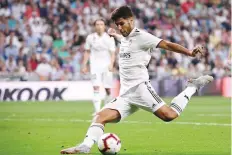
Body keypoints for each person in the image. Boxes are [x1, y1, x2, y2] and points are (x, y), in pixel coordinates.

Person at [60, 6, 213, 154]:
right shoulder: (125, 38)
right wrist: (116, 35)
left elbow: (166, 44)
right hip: (126, 94)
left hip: (141, 88)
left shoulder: (142, 36)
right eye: (117, 24)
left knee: (169, 115)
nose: (120, 27)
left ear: (131, 20)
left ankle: (192, 87)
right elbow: (127, 41)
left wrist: (189, 52)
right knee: (100, 116)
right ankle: (85, 147)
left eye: (122, 23)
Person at [81, 19, 116, 115]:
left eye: (101, 24)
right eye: (97, 24)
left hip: (106, 66)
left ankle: (106, 108)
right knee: (96, 87)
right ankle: (97, 111)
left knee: (107, 89)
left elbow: (112, 53)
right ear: (94, 26)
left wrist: (111, 64)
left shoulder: (109, 38)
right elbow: (87, 51)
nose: (99, 26)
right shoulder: (90, 38)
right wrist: (84, 65)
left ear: (104, 26)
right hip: (95, 67)